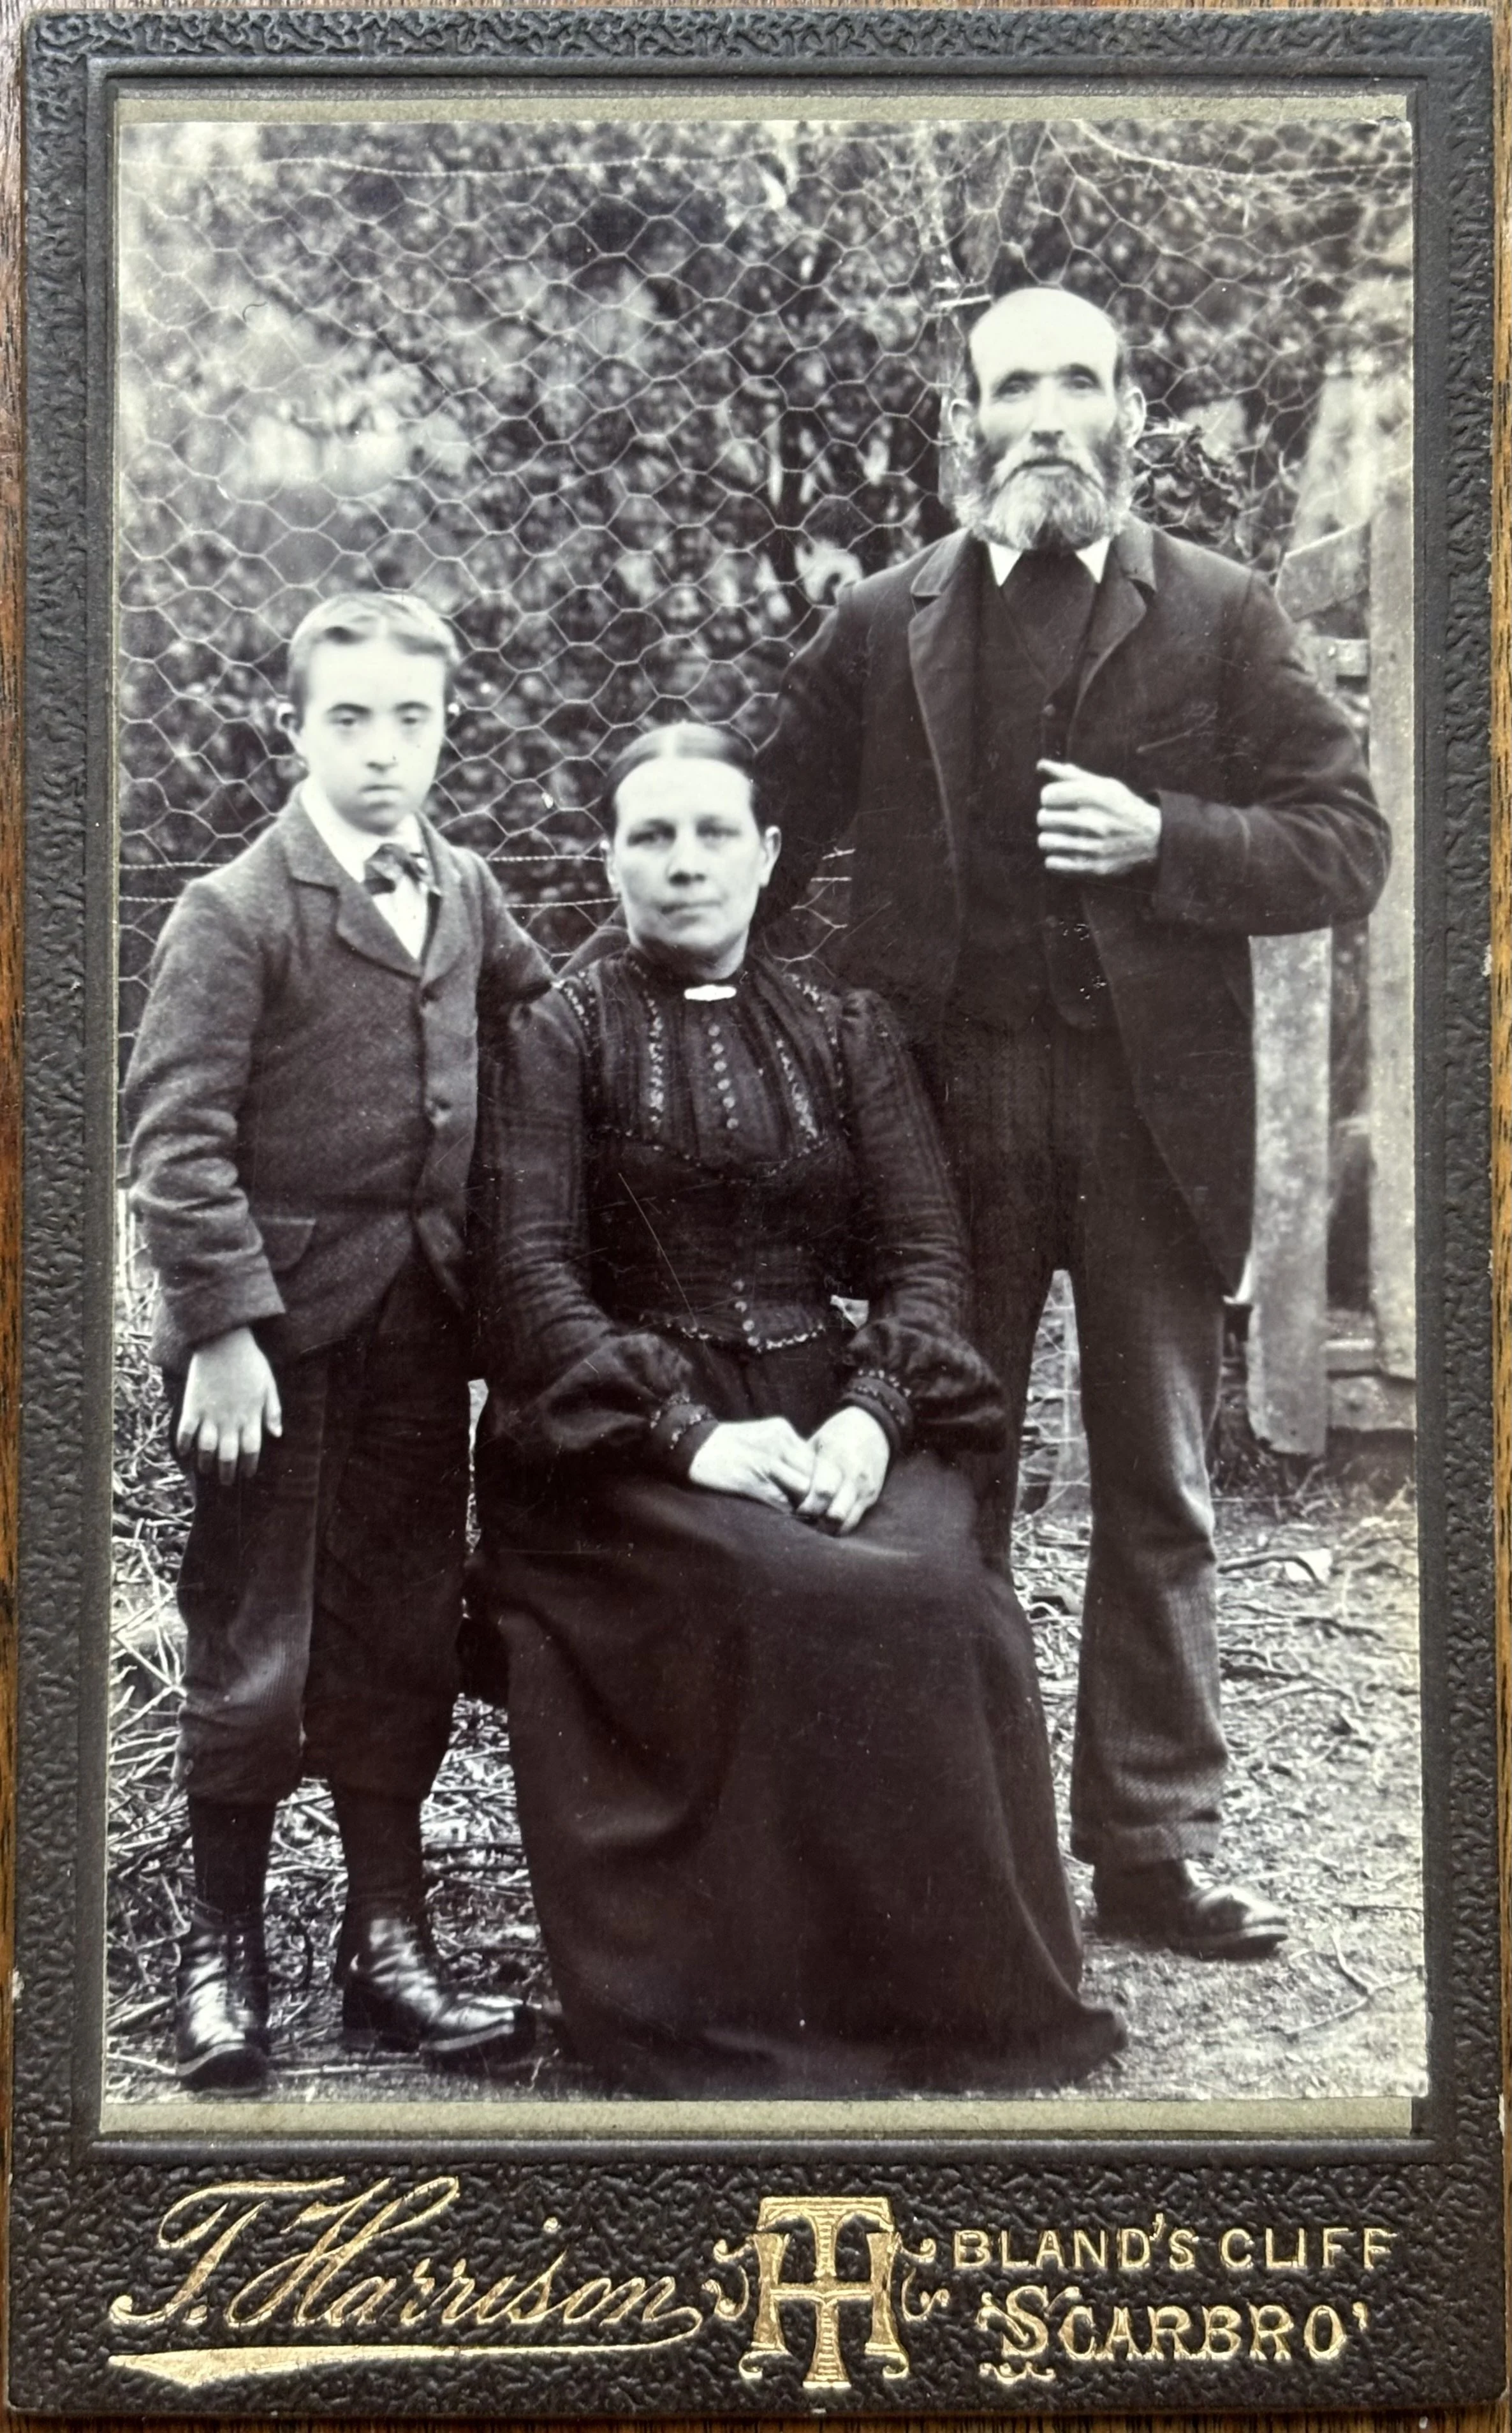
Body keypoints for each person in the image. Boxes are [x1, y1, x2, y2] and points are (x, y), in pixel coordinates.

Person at [756, 285, 1393, 1963]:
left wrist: (1167, 837)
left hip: (1147, 1113)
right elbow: (753, 825)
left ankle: (1150, 1847)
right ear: (964, 419)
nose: (1046, 414)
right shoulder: (885, 620)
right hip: (938, 1110)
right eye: (1011, 384)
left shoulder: (1217, 611)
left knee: (1157, 1483)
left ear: (1128, 408)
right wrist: (665, 1032)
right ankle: (933, 1841)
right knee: (933, 1470)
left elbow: (1347, 838)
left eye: (1077, 381)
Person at [468, 720, 1125, 2097]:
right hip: (619, 1439)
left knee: (935, 1590)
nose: (685, 862)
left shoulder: (846, 1027)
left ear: (770, 857)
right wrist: (692, 1434)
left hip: (831, 1403)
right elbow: (528, 1275)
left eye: (715, 833)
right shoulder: (557, 1032)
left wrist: (874, 1414)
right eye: (651, 834)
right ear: (608, 860)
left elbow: (927, 1257)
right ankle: (755, 2009)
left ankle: (949, 1997)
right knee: (786, 1585)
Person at [124, 591, 550, 2091]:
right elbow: (172, 1149)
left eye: (412, 720)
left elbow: (543, 1037)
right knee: (256, 1645)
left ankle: (388, 1945)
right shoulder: (236, 912)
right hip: (279, 1348)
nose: (383, 751)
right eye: (350, 718)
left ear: (448, 730)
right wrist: (225, 1333)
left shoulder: (471, 889)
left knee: (397, 1627)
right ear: (292, 729)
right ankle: (220, 1954)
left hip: (425, 1331)